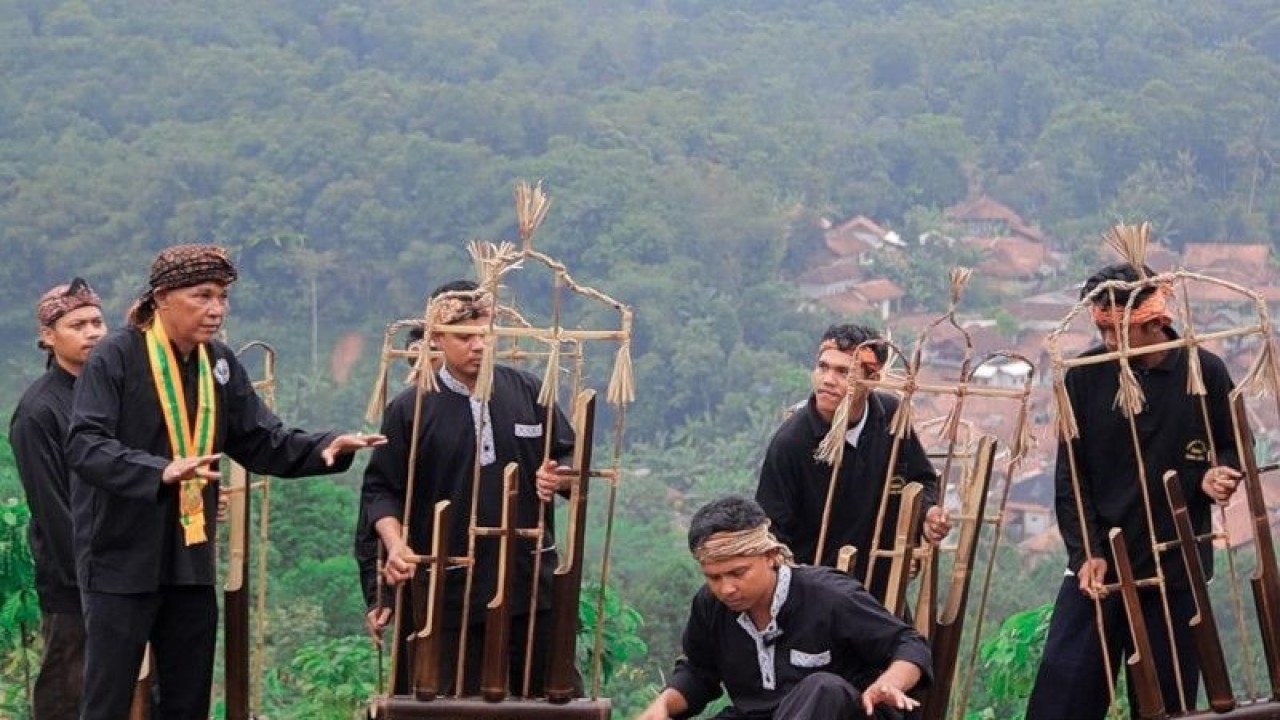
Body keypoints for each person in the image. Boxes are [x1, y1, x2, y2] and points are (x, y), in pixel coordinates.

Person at [66, 244, 385, 720]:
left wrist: (325, 447)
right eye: (203, 296)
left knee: (188, 697)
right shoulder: (116, 356)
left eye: (222, 297)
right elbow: (85, 444)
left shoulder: (218, 362)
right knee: (109, 698)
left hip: (190, 555)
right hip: (120, 557)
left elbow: (260, 439)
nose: (216, 309)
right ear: (163, 297)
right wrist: (160, 471)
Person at [1025, 261, 1241, 720]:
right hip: (1099, 573)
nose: (1109, 344)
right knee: (1060, 703)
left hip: (1175, 571)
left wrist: (1215, 474)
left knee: (1166, 706)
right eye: (1102, 330)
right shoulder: (1085, 377)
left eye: (1120, 332)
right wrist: (1087, 553)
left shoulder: (1204, 372)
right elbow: (1071, 478)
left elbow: (1230, 444)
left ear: (1156, 321)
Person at [361, 279, 576, 697]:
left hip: (528, 582)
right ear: (436, 337)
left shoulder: (529, 390)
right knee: (448, 697)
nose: (477, 345)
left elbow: (569, 457)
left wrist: (561, 475)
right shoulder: (412, 407)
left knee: (542, 696)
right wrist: (396, 543)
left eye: (485, 334)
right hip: (446, 590)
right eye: (464, 337)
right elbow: (380, 490)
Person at [635, 495, 932, 720]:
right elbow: (699, 672)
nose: (726, 588)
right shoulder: (710, 605)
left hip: (839, 713)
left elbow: (909, 644)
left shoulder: (828, 595)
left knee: (823, 688)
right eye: (714, 577)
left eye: (738, 573)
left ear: (771, 556)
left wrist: (888, 684)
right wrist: (663, 704)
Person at [755, 323, 948, 601]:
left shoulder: (891, 417)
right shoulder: (792, 443)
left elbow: (921, 480)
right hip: (817, 596)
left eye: (843, 372)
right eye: (823, 367)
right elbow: (772, 532)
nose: (827, 380)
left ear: (873, 378)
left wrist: (927, 514)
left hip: (881, 592)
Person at [10, 278, 107, 719]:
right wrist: (91, 581)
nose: (93, 332)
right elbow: (53, 511)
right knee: (69, 690)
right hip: (74, 582)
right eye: (78, 325)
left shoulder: (108, 393)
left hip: (123, 574)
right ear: (49, 337)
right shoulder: (39, 411)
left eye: (97, 322)